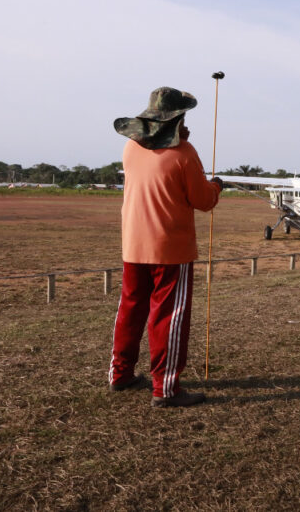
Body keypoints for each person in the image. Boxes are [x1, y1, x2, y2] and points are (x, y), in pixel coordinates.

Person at [108, 86, 224, 408]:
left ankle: (121, 374)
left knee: (131, 309)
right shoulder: (185, 153)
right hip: (170, 248)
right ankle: (166, 388)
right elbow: (203, 200)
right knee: (169, 315)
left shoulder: (130, 149)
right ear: (177, 119)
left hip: (133, 244)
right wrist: (216, 187)